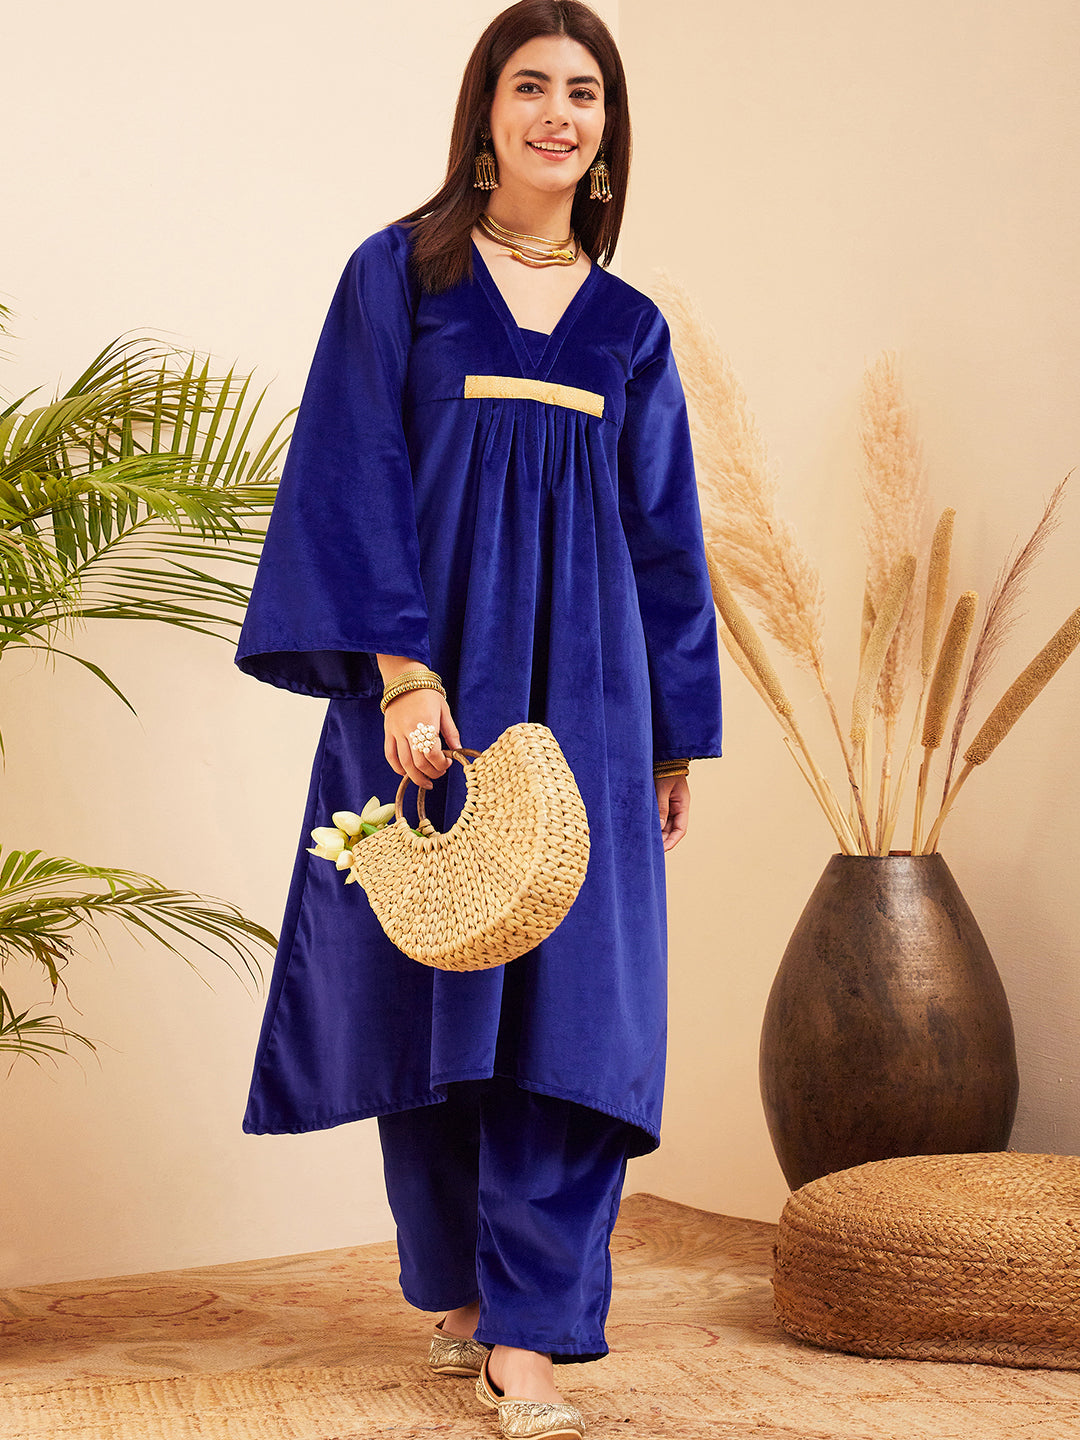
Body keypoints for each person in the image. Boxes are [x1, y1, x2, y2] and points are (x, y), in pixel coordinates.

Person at [235, 2, 722, 1435]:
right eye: (531, 86)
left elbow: (666, 544)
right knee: (435, 986)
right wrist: (403, 674)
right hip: (428, 689)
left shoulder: (631, 328)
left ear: (608, 132)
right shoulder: (401, 276)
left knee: (581, 1012)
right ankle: (456, 1291)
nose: (558, 114)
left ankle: (533, 1331)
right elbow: (353, 473)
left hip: (590, 711)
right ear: (485, 112)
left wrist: (671, 739)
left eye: (586, 93)